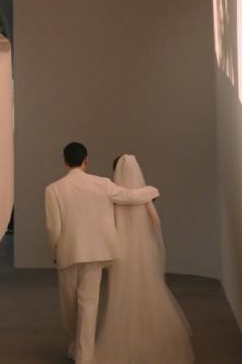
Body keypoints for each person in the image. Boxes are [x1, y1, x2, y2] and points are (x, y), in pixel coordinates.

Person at [44, 142, 159, 364]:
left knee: (69, 306)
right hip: (97, 252)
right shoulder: (102, 184)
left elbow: (53, 227)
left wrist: (56, 250)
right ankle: (83, 355)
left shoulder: (53, 189)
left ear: (65, 162)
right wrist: (153, 190)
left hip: (68, 252)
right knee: (89, 304)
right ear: (86, 160)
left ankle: (78, 348)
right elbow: (130, 196)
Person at [93, 154, 194, 364]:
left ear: (116, 172)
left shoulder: (114, 196)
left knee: (122, 295)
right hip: (142, 252)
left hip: (121, 254)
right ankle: (150, 339)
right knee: (147, 292)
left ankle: (125, 339)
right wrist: (143, 237)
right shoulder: (144, 195)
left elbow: (108, 225)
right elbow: (155, 221)